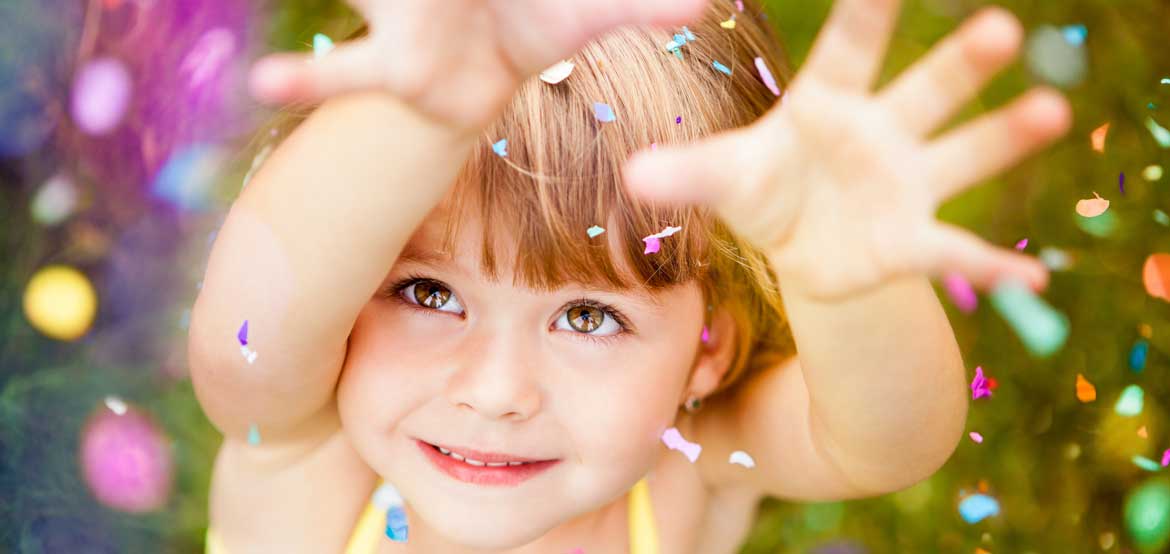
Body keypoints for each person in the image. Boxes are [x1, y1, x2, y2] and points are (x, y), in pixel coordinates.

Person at [187, 0, 1072, 551]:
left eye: (587, 317)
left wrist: (840, 279)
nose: (497, 394)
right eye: (429, 293)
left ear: (708, 349)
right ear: (347, 298)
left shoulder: (689, 467)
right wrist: (420, 127)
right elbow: (244, 350)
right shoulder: (307, 463)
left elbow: (888, 443)